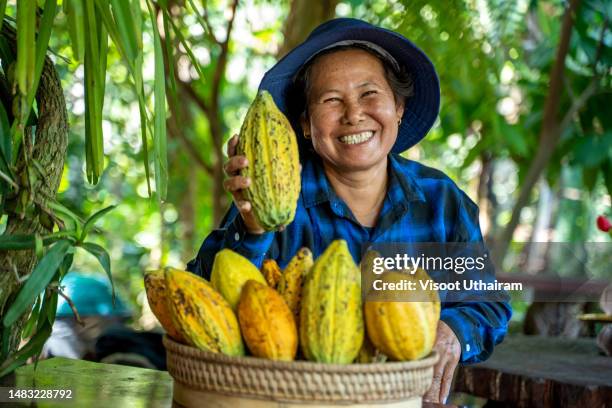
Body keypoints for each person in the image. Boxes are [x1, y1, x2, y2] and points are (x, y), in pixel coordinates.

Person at [186, 18, 511, 404]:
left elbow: (488, 301)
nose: (354, 114)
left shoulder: (441, 200)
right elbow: (202, 302)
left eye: (369, 93)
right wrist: (253, 231)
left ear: (399, 107)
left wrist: (453, 331)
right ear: (305, 124)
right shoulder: (273, 198)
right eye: (331, 100)